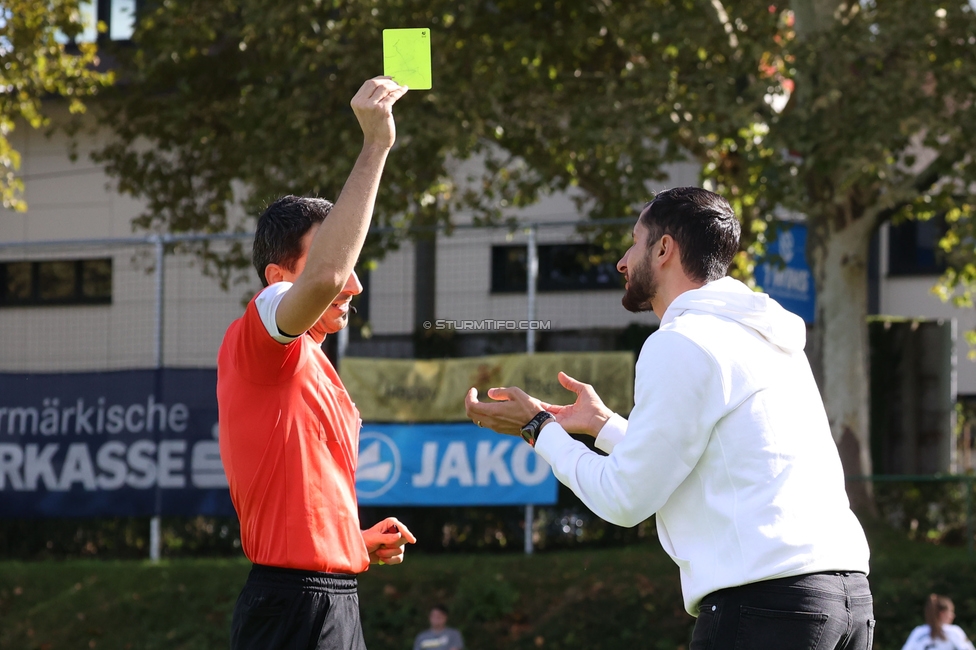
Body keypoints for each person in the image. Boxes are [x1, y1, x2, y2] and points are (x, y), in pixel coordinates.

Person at [464, 187, 874, 649]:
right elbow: (709, 459)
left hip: (766, 606)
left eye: (634, 242)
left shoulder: (681, 340)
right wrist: (603, 425)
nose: (622, 261)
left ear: (664, 249)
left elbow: (624, 498)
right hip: (848, 601)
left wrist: (538, 428)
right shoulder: (761, 333)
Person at [217, 77, 416, 650]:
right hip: (290, 604)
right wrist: (376, 144)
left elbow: (295, 512)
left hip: (330, 596)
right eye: (335, 257)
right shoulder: (259, 334)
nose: (353, 282)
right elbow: (327, 277)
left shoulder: (310, 364)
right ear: (279, 280)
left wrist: (349, 542)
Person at [902, 594, 975, 650]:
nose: (953, 616)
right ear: (942, 613)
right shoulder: (953, 631)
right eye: (951, 612)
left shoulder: (918, 632)